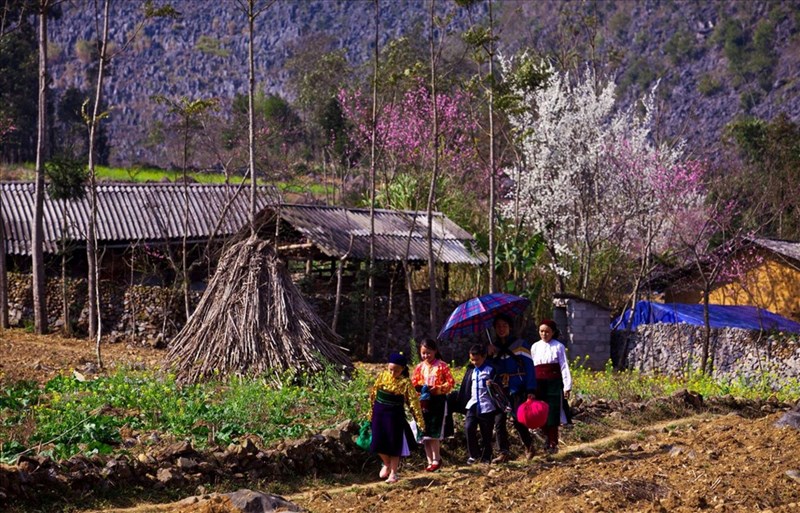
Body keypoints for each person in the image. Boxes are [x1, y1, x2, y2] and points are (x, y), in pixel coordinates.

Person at [488, 313, 537, 462]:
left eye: (504, 326)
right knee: (499, 420)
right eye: (498, 327)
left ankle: (529, 446)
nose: (501, 329)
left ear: (510, 327)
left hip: (518, 386)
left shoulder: (521, 344)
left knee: (517, 419)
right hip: (500, 389)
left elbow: (529, 367)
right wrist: (489, 355)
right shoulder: (492, 347)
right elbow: (488, 368)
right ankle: (504, 452)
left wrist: (531, 389)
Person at [369, 352, 425, 483]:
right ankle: (386, 463)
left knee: (395, 444)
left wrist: (419, 421)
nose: (393, 373)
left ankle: (393, 473)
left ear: (403, 370)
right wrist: (370, 414)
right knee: (377, 442)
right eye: (391, 369)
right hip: (379, 413)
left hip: (395, 416)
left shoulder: (405, 383)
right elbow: (373, 395)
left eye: (397, 370)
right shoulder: (382, 376)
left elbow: (413, 403)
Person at [411, 338, 455, 472]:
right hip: (423, 402)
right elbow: (413, 382)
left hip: (437, 402)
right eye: (423, 353)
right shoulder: (419, 367)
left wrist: (438, 388)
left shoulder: (442, 366)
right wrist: (419, 389)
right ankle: (430, 461)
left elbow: (450, 382)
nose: (426, 356)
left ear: (435, 351)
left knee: (434, 432)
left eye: (428, 353)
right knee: (424, 433)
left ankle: (437, 459)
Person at [531, 319, 573, 454]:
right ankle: (546, 440)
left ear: (553, 332)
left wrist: (567, 386)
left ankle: (553, 443)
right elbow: (532, 367)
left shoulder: (558, 346)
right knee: (541, 412)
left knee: (553, 414)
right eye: (541, 331)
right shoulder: (535, 347)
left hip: (554, 384)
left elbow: (564, 366)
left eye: (547, 331)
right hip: (539, 384)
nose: (544, 334)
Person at [459, 343, 498, 464]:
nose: (474, 362)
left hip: (487, 406)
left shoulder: (490, 370)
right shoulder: (471, 371)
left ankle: (487, 456)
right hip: (473, 404)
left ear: (484, 357)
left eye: (477, 359)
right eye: (472, 359)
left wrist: (492, 385)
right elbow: (466, 387)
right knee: (469, 427)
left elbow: (498, 388)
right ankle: (474, 455)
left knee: (486, 433)